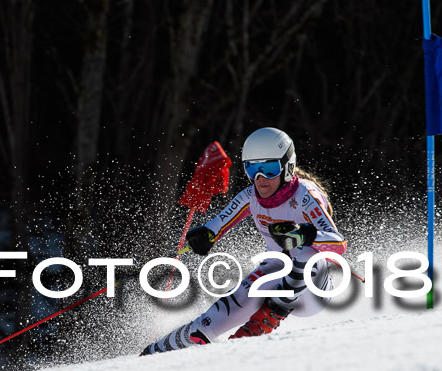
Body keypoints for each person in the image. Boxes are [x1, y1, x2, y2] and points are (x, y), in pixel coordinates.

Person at [141, 127, 347, 355]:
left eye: (268, 169)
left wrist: (304, 234)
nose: (260, 179)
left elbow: (338, 244)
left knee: (308, 254)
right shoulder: (250, 197)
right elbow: (215, 226)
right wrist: (203, 237)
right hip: (275, 271)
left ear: (287, 167)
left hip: (312, 291)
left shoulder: (306, 196)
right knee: (213, 319)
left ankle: (266, 319)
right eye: (253, 168)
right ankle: (152, 353)